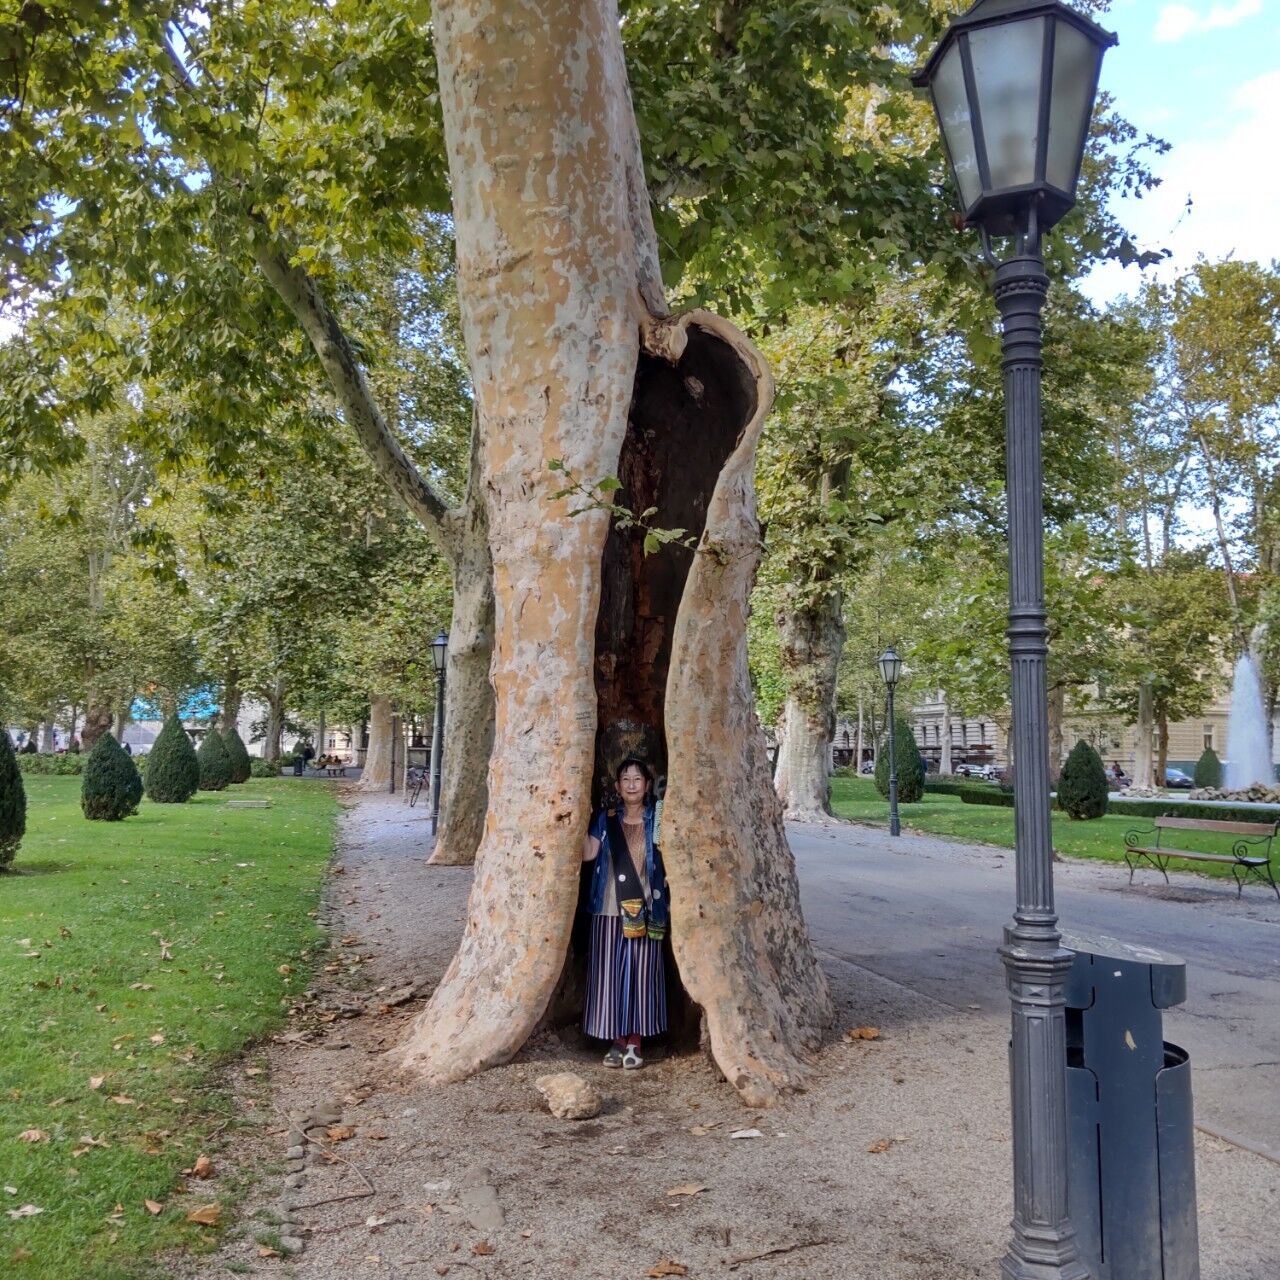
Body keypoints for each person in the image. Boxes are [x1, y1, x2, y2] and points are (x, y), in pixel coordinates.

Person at [581, 756, 670, 1070]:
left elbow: (671, 854)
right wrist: (573, 817)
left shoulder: (658, 819)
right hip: (607, 909)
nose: (632, 785)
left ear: (647, 785)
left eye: (637, 779)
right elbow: (588, 853)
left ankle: (635, 1041)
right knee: (609, 976)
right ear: (618, 787)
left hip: (645, 909)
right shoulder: (605, 819)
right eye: (626, 780)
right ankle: (616, 1040)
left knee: (641, 975)